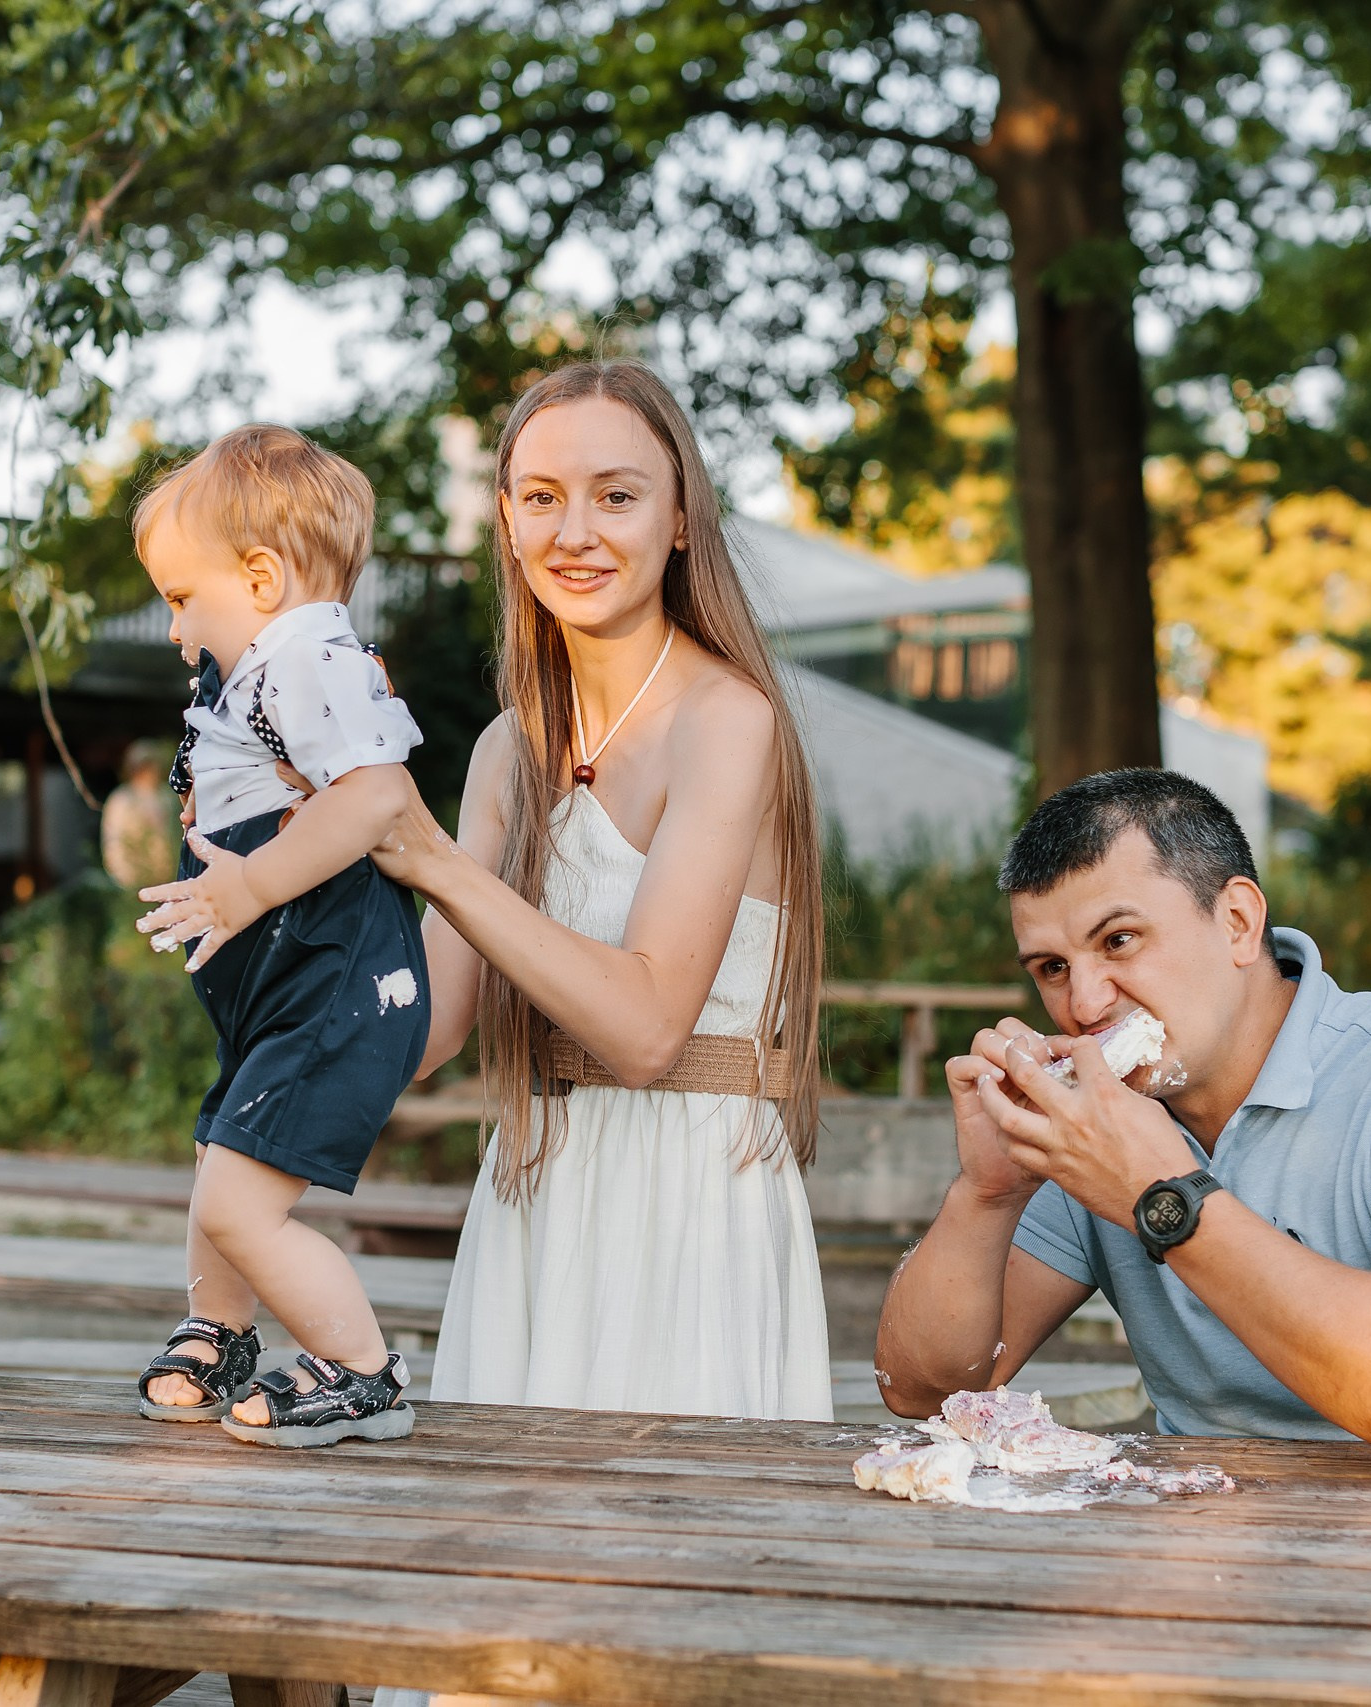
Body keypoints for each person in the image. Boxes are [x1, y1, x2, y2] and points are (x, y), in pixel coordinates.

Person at [876, 769, 1371, 1471]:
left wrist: (1160, 1193)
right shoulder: (1095, 1128)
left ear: (1237, 921)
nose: (1085, 1003)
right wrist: (988, 1196)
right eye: (1051, 967)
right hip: (1233, 1550)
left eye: (1119, 940)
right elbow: (923, 1391)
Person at [368, 358, 834, 1423]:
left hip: (682, 1207)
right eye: (542, 499)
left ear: (679, 520)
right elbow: (424, 1032)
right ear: (506, 522)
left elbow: (644, 1027)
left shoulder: (727, 721)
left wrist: (430, 857)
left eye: (615, 496)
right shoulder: (505, 750)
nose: (574, 532)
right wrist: (287, 865)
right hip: (538, 1193)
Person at [128, 423, 430, 1448]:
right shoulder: (261, 666)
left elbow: (378, 796)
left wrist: (248, 884)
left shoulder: (308, 656)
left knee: (239, 1194)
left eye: (180, 597)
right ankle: (221, 1324)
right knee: (225, 1148)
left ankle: (361, 1368)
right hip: (283, 976)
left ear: (260, 577)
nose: (174, 629)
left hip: (330, 969)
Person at [99, 738, 179, 891]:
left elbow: (176, 833)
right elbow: (114, 841)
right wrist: (124, 876)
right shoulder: (121, 799)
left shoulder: (168, 797)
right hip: (132, 879)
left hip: (167, 878)